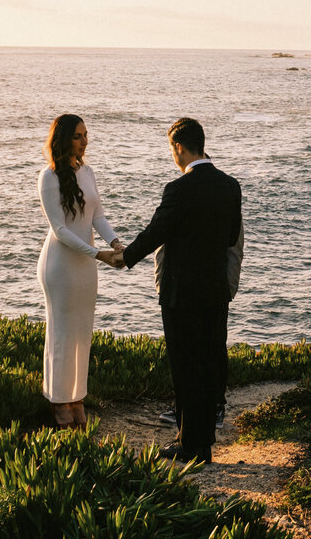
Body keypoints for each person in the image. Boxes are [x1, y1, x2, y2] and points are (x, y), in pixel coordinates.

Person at [122, 118, 242, 463]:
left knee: (186, 366)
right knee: (209, 363)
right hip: (216, 289)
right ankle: (203, 442)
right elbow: (232, 235)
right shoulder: (230, 186)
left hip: (181, 292)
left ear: (179, 147)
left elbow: (155, 232)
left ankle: (190, 444)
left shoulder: (178, 189)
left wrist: (125, 257)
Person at [36, 114, 124, 430]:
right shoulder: (49, 177)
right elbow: (60, 229)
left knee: (81, 333)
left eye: (86, 134)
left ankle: (76, 397)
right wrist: (98, 254)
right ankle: (58, 401)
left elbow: (96, 215)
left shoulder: (87, 172)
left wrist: (114, 241)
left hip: (87, 264)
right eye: (77, 136)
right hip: (60, 265)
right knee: (61, 333)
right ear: (62, 139)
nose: (84, 141)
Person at [155, 213, 244, 429]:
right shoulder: (223, 193)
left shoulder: (184, 194)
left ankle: (213, 407)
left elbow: (234, 249)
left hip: (205, 288)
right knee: (199, 349)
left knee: (206, 349)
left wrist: (229, 289)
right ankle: (192, 409)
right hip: (198, 287)